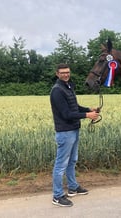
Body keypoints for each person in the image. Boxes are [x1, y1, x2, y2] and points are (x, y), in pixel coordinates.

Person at [50, 63, 100, 207]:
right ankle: (57, 196)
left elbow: (74, 107)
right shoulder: (57, 91)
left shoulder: (68, 86)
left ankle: (72, 187)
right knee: (60, 165)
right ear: (57, 74)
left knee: (72, 161)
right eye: (63, 72)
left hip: (74, 129)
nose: (66, 74)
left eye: (67, 72)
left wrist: (89, 109)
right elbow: (66, 114)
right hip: (65, 132)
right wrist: (87, 115)